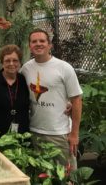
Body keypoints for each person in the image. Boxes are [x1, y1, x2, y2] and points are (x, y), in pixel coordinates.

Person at [21, 28, 82, 169]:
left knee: (67, 176)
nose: (38, 44)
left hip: (60, 133)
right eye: (34, 41)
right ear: (29, 46)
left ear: (50, 45)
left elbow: (77, 100)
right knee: (41, 176)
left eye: (42, 41)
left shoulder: (64, 68)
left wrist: (74, 134)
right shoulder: (25, 69)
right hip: (34, 131)